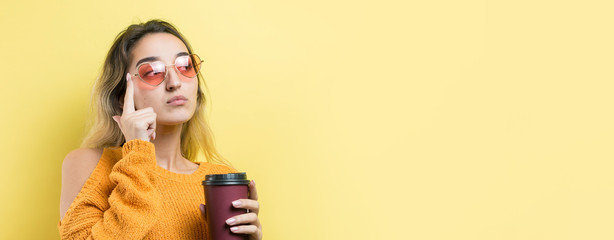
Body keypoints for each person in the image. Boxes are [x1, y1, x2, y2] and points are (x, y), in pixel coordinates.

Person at [58, 19, 263, 239]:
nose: (174, 82)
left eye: (185, 66)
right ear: (121, 98)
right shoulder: (90, 164)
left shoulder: (221, 179)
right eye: (153, 71)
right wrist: (137, 151)